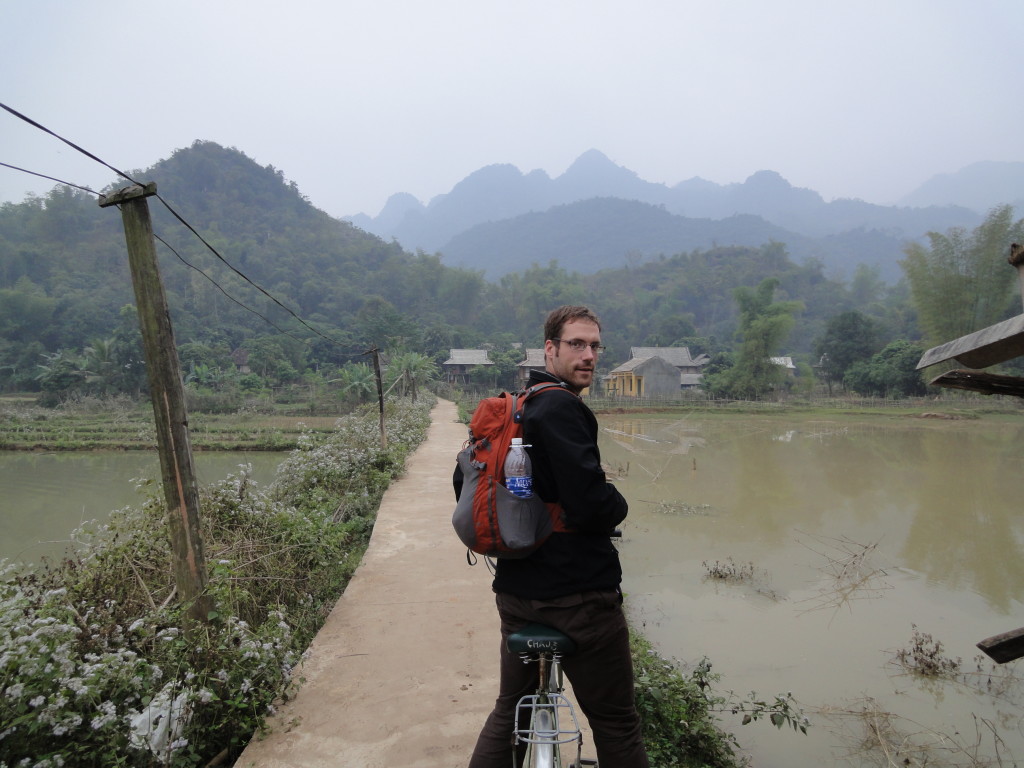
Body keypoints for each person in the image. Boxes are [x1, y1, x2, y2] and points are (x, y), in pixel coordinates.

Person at [467, 305, 649, 768]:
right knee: (616, 722)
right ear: (550, 349)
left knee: (509, 711)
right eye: (576, 344)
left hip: (516, 595)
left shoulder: (520, 406)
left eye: (594, 346)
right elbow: (589, 505)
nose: (588, 355)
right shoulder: (563, 407)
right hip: (579, 601)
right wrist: (617, 503)